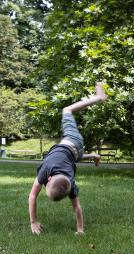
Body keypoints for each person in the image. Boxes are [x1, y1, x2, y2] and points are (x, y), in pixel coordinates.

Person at [28, 82, 108, 235]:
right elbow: (76, 206)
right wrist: (79, 230)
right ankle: (93, 156)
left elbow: (33, 195)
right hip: (72, 148)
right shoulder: (65, 181)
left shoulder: (60, 177)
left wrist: (34, 221)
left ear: (49, 177)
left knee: (67, 110)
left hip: (74, 144)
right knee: (66, 113)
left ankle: (98, 98)